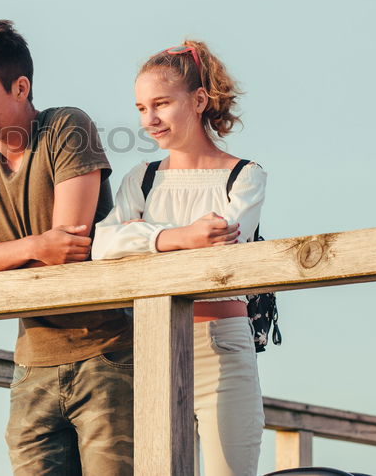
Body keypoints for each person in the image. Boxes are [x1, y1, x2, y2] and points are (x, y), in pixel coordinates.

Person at [0, 19, 134, 475]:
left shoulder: (68, 125)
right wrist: (37, 244)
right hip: (31, 363)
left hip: (107, 353)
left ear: (20, 86)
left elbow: (68, 246)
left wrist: (21, 250)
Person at [92, 40, 265, 476]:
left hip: (222, 344)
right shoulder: (143, 178)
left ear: (199, 100)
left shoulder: (244, 176)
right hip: (152, 346)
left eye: (162, 104)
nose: (149, 119)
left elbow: (220, 246)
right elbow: (102, 245)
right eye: (141, 107)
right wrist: (181, 235)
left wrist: (145, 238)